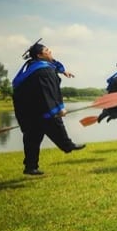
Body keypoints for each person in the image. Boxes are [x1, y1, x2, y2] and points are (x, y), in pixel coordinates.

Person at [12, 39, 85, 175]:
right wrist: (58, 109)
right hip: (40, 109)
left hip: (28, 111)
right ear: (40, 55)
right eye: (47, 51)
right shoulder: (44, 71)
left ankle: (30, 167)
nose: (50, 51)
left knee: (32, 138)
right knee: (54, 123)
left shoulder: (33, 67)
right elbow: (49, 92)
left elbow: (53, 65)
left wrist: (63, 71)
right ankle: (67, 145)